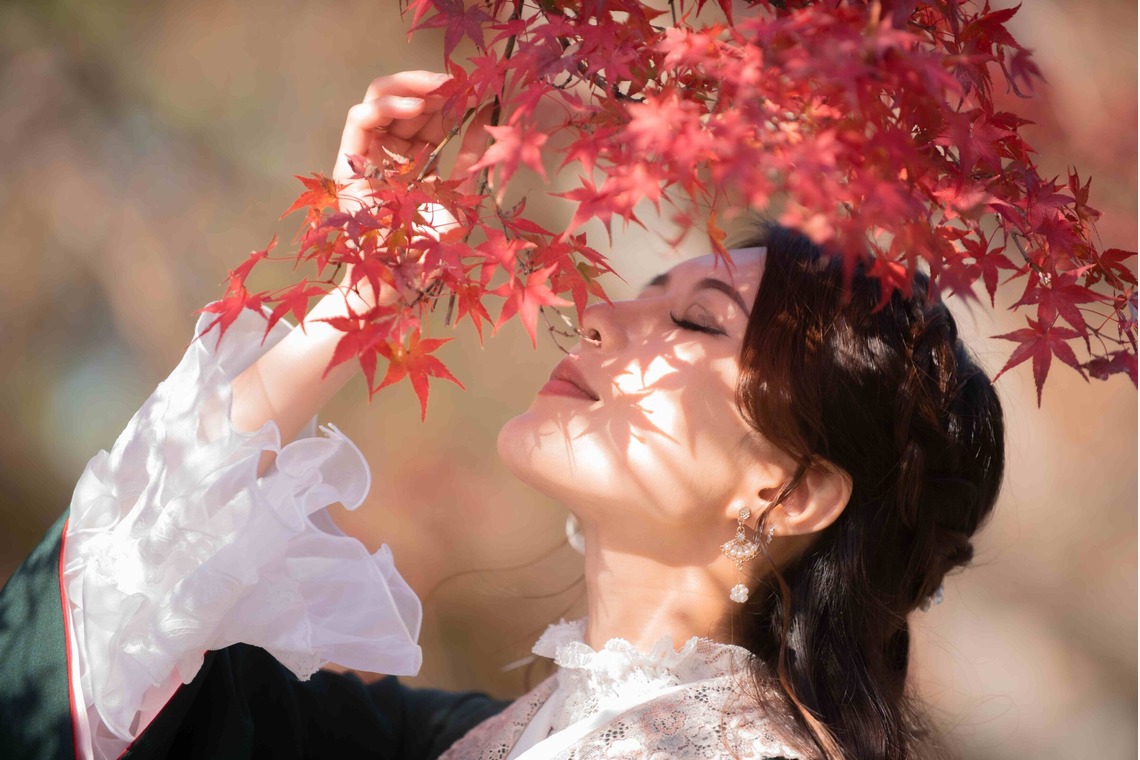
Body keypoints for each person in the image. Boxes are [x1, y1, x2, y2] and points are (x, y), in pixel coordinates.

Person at [0, 70, 1006, 760]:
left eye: (697, 320)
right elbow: (86, 655)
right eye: (645, 289)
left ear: (790, 488)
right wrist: (367, 285)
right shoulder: (451, 739)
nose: (603, 318)